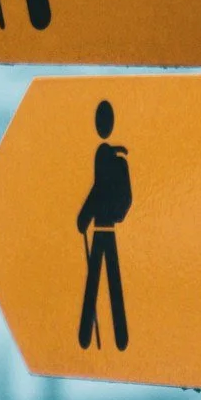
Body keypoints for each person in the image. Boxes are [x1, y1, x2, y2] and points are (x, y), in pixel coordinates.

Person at [77, 99, 130, 350]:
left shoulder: (116, 163)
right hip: (100, 229)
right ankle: (87, 337)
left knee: (110, 281)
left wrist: (85, 216)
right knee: (95, 281)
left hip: (105, 229)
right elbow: (96, 191)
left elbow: (102, 193)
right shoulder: (106, 158)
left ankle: (119, 339)